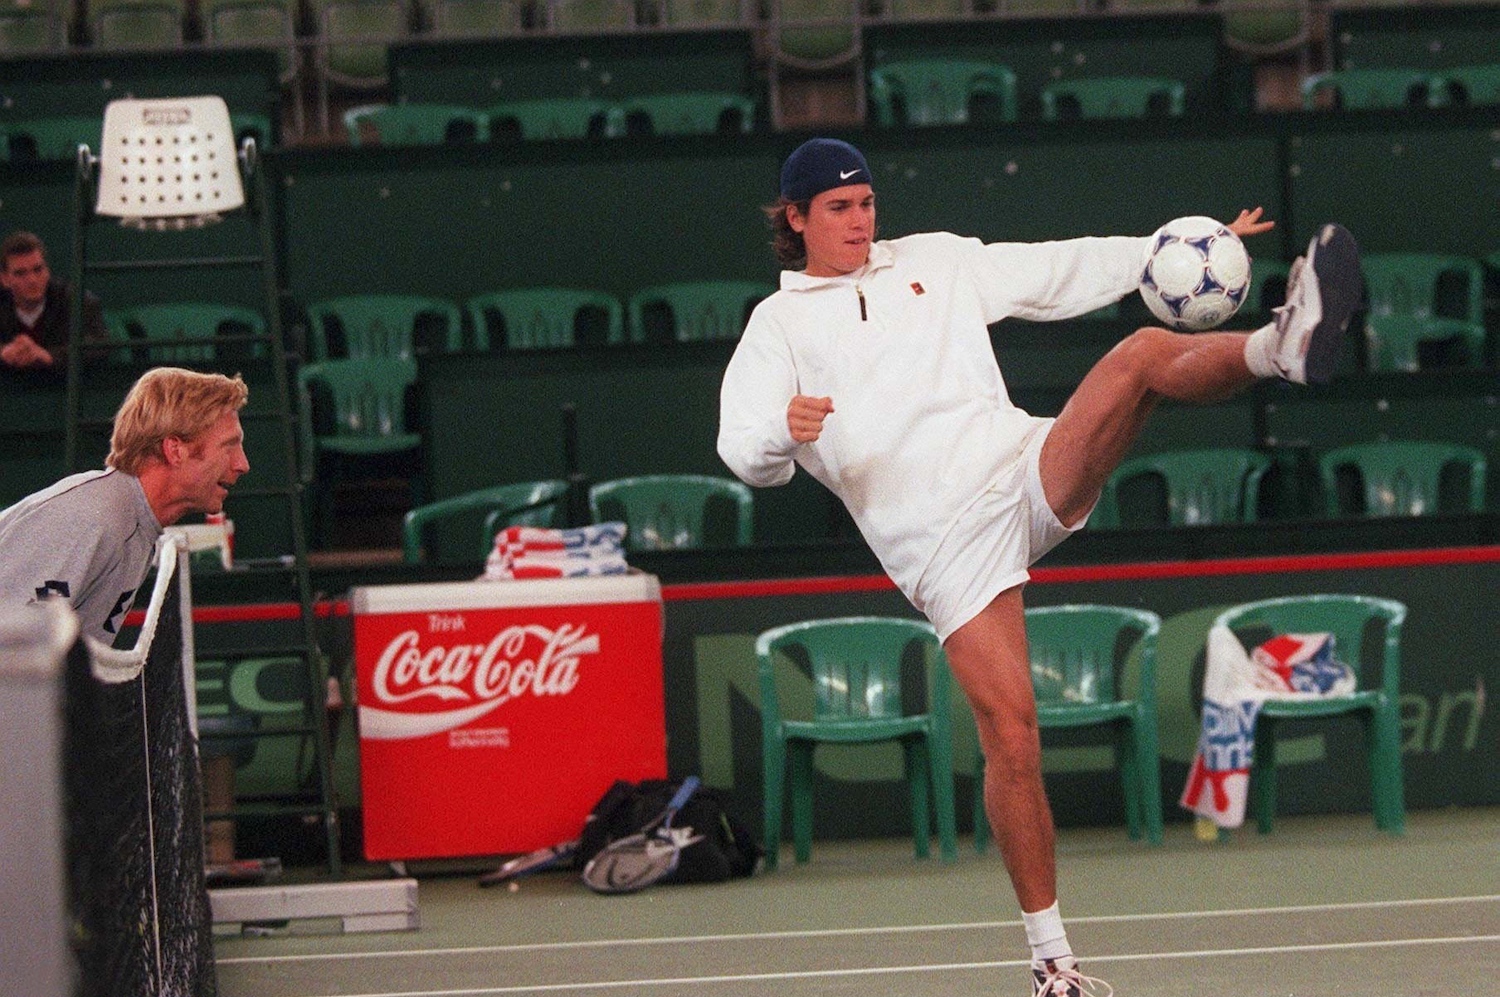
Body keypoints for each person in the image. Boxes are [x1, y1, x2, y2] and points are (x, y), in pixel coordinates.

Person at [717, 138, 1360, 997]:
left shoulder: (934, 261)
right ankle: (1052, 961)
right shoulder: (779, 326)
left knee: (1137, 356)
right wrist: (781, 434)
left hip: (1018, 464)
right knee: (1014, 738)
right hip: (941, 545)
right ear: (795, 219)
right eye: (838, 209)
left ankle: (1278, 349)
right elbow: (741, 449)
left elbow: (1051, 271)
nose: (860, 221)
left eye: (867, 202)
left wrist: (1170, 253)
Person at [0, 366, 250, 645]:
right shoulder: (94, 518)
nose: (242, 464)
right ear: (175, 450)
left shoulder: (135, 524)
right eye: (229, 446)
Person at [0, 230, 107, 374]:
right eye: (20, 273)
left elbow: (98, 347)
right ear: (5, 279)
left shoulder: (77, 302)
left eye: (38, 270)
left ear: (47, 271)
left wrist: (48, 356)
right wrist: (3, 352)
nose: (32, 280)